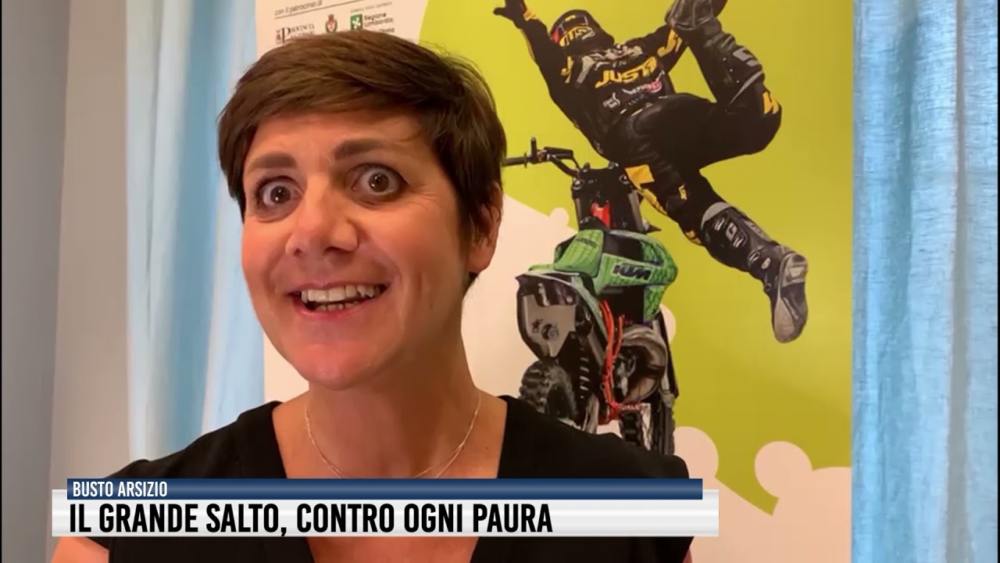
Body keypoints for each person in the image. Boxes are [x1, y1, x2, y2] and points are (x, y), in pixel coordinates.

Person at [52, 30, 692, 563]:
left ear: (481, 225)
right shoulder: (114, 534)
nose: (312, 233)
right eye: (275, 192)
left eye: (376, 181)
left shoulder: (633, 518)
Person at [494, 0, 809, 343]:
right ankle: (773, 262)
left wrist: (524, 17)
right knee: (754, 123)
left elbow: (542, 49)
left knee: (691, 209)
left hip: (633, 137)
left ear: (563, 40)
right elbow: (675, 34)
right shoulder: (638, 48)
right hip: (677, 111)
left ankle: (766, 260)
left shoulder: (571, 68)